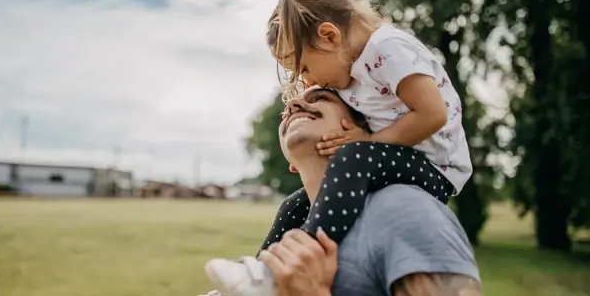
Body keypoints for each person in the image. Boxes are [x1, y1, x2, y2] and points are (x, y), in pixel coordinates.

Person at [205, 0, 473, 294]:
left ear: (330, 36)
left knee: (356, 154)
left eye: (304, 69)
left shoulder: (390, 49)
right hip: (398, 157)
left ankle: (307, 250)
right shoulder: (357, 71)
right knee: (293, 205)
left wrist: (369, 140)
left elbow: (433, 114)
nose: (305, 87)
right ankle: (260, 275)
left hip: (436, 169)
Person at [200, 88, 481, 296]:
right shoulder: (292, 221)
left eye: (320, 98)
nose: (294, 104)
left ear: (362, 129)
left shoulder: (404, 209)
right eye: (287, 112)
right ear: (291, 165)